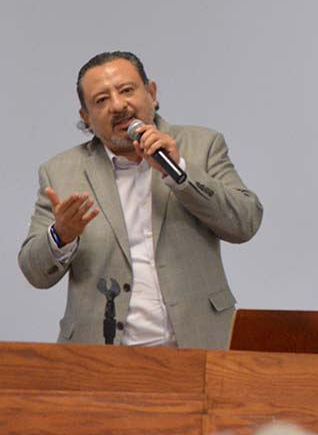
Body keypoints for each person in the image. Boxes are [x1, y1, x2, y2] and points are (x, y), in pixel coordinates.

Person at [18, 51, 263, 348]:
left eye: (126, 90)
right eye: (101, 100)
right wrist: (61, 235)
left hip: (200, 343)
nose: (118, 105)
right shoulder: (60, 171)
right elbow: (35, 273)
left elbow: (245, 222)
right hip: (102, 353)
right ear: (86, 118)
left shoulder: (202, 145)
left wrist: (180, 172)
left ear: (152, 93)